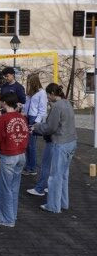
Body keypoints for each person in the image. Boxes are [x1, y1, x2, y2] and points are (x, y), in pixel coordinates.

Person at [32, 83, 77, 213]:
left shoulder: (57, 106)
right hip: (72, 142)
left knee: (55, 176)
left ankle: (53, 206)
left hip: (61, 143)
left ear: (52, 94)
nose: (47, 98)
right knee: (63, 175)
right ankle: (63, 203)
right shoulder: (67, 103)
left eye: (47, 95)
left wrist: (36, 127)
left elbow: (50, 127)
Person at [0, 92, 29, 227]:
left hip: (8, 155)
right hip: (21, 155)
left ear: (4, 103)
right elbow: (26, 135)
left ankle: (6, 219)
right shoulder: (22, 118)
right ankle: (12, 214)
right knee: (14, 187)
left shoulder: (4, 119)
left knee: (5, 188)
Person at [0, 66, 26, 164]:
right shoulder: (4, 86)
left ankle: (13, 155)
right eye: (4, 76)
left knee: (10, 135)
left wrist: (16, 110)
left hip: (13, 115)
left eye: (7, 76)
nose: (6, 78)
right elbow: (0, 99)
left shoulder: (19, 87)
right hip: (3, 114)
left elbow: (23, 102)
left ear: (13, 75)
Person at [22, 74, 47, 176]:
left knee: (31, 145)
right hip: (27, 117)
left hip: (34, 119)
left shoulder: (42, 93)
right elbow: (27, 105)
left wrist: (36, 123)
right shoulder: (30, 93)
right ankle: (28, 165)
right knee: (27, 144)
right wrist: (22, 107)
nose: (28, 84)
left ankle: (32, 168)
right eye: (28, 82)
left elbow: (42, 109)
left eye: (30, 82)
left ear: (35, 82)